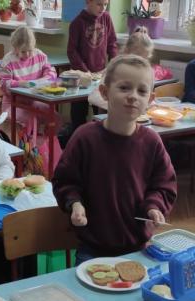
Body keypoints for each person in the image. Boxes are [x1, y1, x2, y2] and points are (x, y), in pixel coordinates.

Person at [52, 54, 177, 266]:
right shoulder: (85, 137)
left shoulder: (152, 142)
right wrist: (75, 203)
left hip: (138, 247)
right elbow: (64, 180)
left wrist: (154, 207)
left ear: (150, 100)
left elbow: (164, 186)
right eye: (124, 88)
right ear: (104, 92)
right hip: (92, 248)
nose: (133, 96)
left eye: (142, 91)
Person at [67, 0, 118, 133]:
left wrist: (113, 63)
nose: (103, 8)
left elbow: (112, 43)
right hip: (80, 77)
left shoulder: (106, 18)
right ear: (88, 2)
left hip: (100, 75)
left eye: (105, 4)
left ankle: (99, 140)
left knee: (101, 112)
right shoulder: (77, 23)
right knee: (78, 113)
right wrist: (85, 71)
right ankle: (77, 139)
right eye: (99, 4)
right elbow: (72, 52)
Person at [0, 25, 60, 132]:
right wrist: (20, 83)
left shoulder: (40, 55)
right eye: (23, 51)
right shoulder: (8, 61)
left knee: (54, 117)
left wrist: (43, 80)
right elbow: (3, 84)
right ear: (15, 48)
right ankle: (30, 141)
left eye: (30, 50)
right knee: (31, 119)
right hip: (13, 104)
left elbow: (52, 73)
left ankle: (46, 141)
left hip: (34, 101)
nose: (27, 54)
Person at [89, 26, 158, 110]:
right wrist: (120, 105)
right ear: (126, 51)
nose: (140, 63)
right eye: (136, 57)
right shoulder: (115, 70)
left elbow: (146, 96)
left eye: (144, 59)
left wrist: (151, 105)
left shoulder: (147, 74)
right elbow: (93, 97)